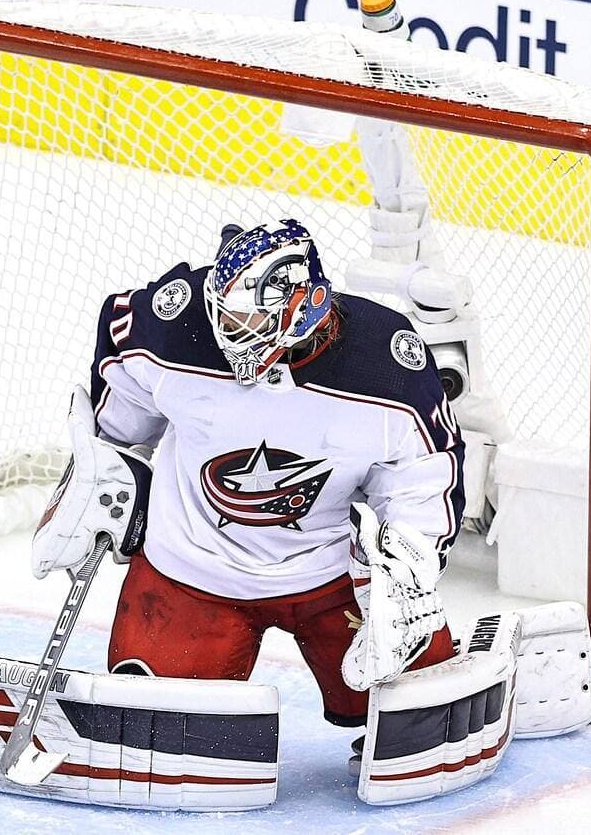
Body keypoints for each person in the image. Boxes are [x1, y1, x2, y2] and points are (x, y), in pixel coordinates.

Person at [34, 218, 465, 728]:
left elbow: (423, 476)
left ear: (303, 308)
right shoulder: (177, 323)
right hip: (193, 566)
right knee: (159, 723)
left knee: (412, 712)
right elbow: (122, 377)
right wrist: (107, 463)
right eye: (223, 315)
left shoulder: (384, 363)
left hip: (333, 577)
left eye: (245, 321)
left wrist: (405, 569)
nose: (226, 332)